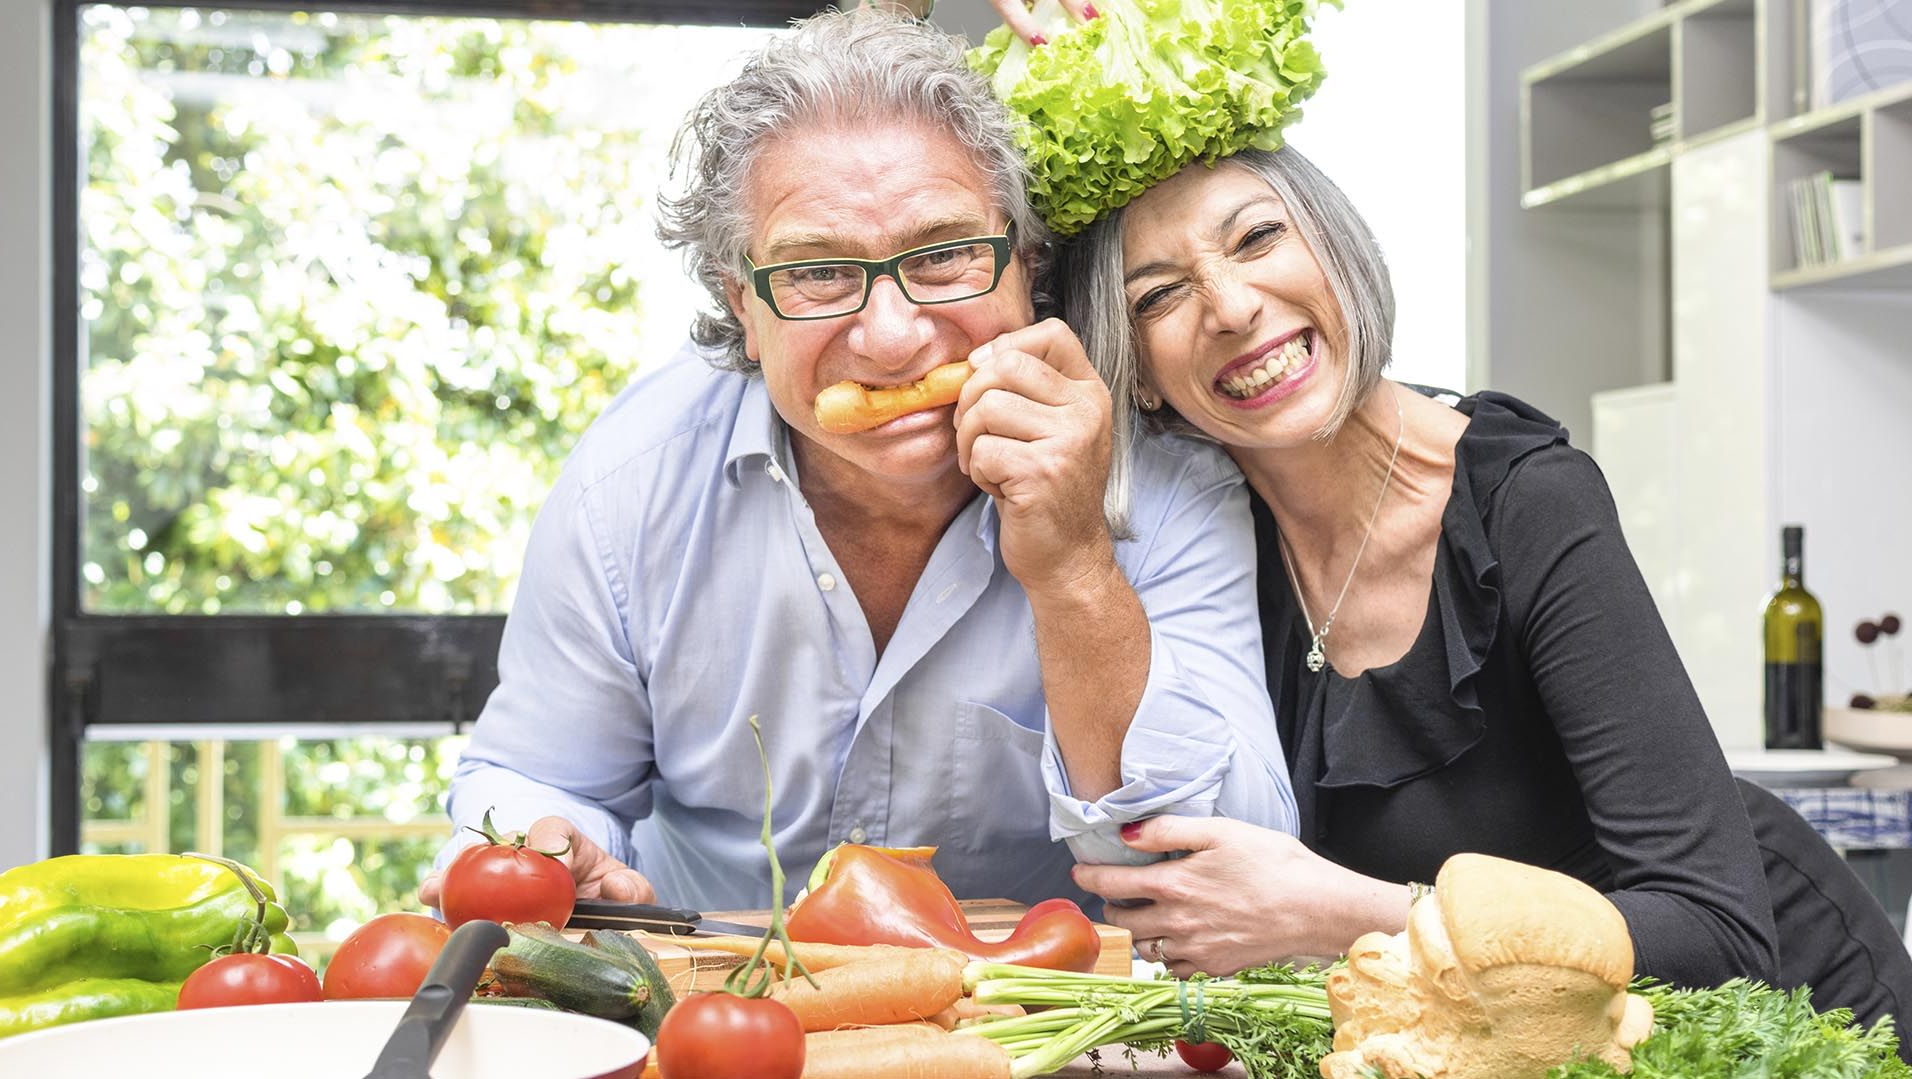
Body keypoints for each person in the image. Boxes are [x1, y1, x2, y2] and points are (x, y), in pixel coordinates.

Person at [418, 8, 1297, 916]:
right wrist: (548, 844)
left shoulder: (1166, 481)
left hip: (1028, 1031)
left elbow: (1233, 871)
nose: (890, 338)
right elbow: (540, 776)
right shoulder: (629, 485)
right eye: (818, 274)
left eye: (948, 255)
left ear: (1024, 264)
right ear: (742, 307)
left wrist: (1075, 566)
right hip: (716, 1017)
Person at [1028, 138, 1912, 1035]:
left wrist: (1346, 911)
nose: (1230, 306)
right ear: (1135, 373)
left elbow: (1719, 934)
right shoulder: (1201, 552)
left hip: (1792, 1023)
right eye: (1160, 295)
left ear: (1336, 250)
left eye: (1256, 238)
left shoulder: (1524, 498)